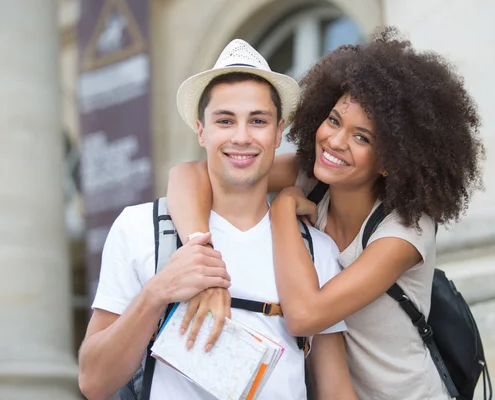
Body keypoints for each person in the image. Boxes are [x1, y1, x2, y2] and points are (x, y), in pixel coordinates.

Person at [166, 27, 485, 400]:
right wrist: (199, 255)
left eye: (362, 137)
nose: (335, 141)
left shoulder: (405, 232)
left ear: (391, 160)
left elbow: (305, 315)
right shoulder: (315, 176)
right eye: (334, 120)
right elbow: (187, 174)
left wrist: (284, 207)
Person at [78, 39, 356, 400]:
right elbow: (93, 382)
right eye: (225, 121)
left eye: (257, 121)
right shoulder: (140, 228)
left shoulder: (316, 248)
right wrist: (158, 292)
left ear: (277, 132)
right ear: (201, 130)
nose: (241, 137)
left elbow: (334, 388)